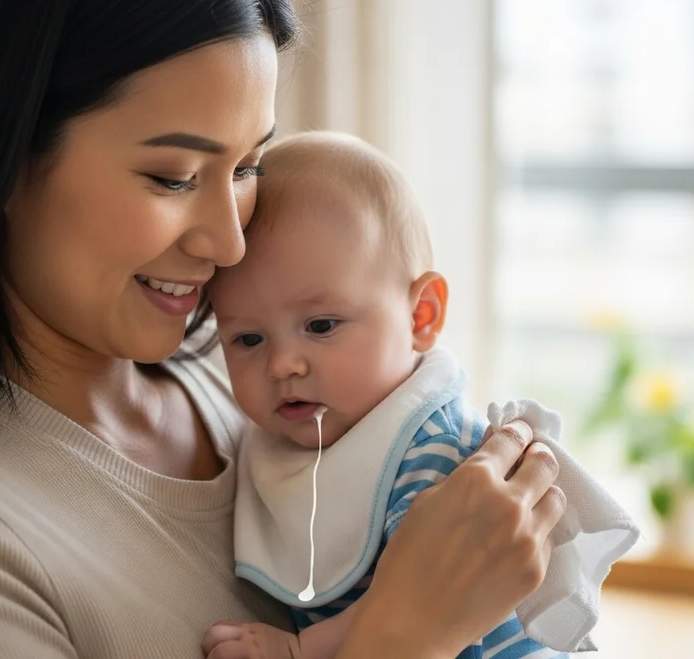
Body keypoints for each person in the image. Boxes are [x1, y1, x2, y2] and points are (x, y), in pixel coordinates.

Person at [0, 0, 566, 658]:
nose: (229, 243)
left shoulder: (247, 381)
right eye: (172, 177)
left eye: (244, 169)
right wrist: (409, 633)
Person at [203, 133, 569, 659]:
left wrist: (299, 650)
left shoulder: (436, 452)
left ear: (422, 316)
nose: (282, 364)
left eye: (321, 324)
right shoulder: (274, 448)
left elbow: (410, 599)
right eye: (248, 339)